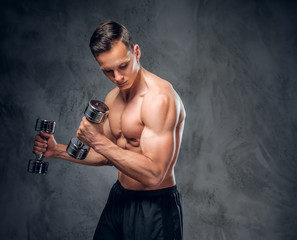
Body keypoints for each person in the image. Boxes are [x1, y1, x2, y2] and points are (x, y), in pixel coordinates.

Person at [33, 20, 186, 240]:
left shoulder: (159, 99)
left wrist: (98, 141)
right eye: (108, 71)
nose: (117, 77)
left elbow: (154, 175)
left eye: (123, 66)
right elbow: (108, 156)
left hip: (154, 207)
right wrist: (57, 150)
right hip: (119, 200)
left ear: (136, 51)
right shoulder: (113, 98)